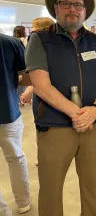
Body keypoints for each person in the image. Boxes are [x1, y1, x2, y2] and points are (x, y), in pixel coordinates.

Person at [25, 0, 96, 216]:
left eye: (78, 4)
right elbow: (41, 85)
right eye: (66, 3)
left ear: (85, 11)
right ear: (56, 9)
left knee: (92, 187)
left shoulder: (95, 41)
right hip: (55, 128)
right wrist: (77, 113)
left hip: (92, 126)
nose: (72, 9)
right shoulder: (40, 40)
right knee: (51, 191)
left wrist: (95, 109)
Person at [0, 33, 32, 215]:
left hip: (9, 112)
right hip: (8, 111)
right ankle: (23, 202)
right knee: (15, 159)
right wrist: (10, 79)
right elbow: (28, 77)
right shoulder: (10, 43)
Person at [20, 17, 56, 167]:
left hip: (49, 98)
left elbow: (42, 77)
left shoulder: (48, 48)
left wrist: (28, 91)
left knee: (47, 130)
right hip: (43, 97)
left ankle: (47, 157)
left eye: (34, 29)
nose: (32, 32)